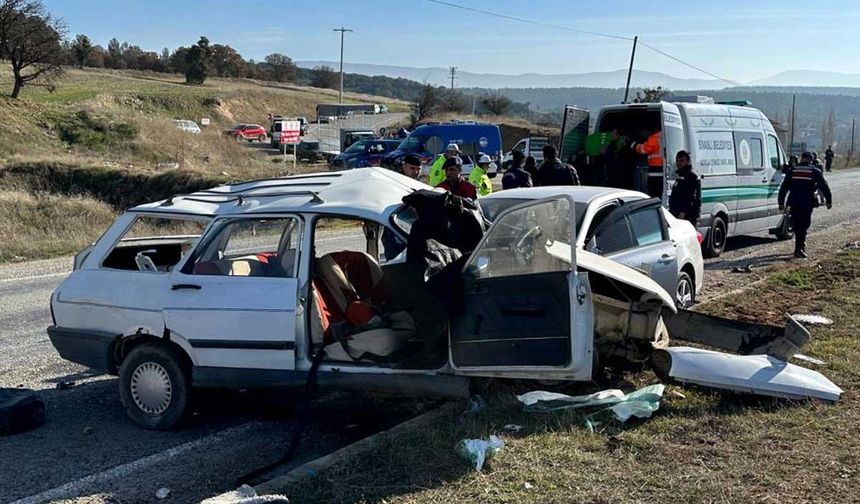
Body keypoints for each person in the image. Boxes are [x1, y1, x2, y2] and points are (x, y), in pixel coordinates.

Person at [778, 151, 833, 258]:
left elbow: (784, 187)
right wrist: (828, 200)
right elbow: (824, 186)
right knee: (803, 225)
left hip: (794, 201)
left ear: (801, 158)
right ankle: (799, 249)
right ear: (811, 160)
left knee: (797, 224)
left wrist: (781, 202)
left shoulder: (792, 171)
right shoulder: (814, 171)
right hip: (807, 202)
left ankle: (800, 246)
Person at [668, 150, 701, 226]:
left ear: (688, 161)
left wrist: (682, 213)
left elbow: (690, 197)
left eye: (682, 161)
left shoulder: (691, 177)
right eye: (677, 161)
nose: (679, 163)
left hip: (686, 216)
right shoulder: (680, 176)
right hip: (676, 213)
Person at [631, 130, 663, 197]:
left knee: (654, 192)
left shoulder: (654, 138)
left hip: (655, 169)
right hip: (663, 169)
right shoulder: (665, 136)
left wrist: (634, 145)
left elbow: (644, 149)